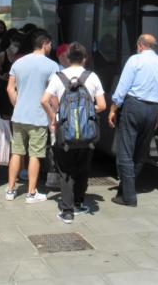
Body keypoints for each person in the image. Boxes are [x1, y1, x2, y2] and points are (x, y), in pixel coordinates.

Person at [40, 42, 106, 224]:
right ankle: (78, 203)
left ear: (68, 59)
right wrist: (87, 113)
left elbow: (44, 100)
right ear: (85, 59)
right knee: (83, 168)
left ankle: (67, 211)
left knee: (65, 170)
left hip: (65, 131)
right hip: (87, 133)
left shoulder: (59, 77)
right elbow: (102, 105)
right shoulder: (92, 77)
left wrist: (54, 117)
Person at [107, 34, 158, 207]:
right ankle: (125, 189)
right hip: (153, 109)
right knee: (141, 152)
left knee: (125, 152)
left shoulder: (135, 60)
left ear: (140, 45)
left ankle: (129, 196)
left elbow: (122, 87)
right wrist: (157, 116)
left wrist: (113, 108)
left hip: (134, 106)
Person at [5, 29, 59, 203]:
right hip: (38, 117)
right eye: (50, 44)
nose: (51, 47)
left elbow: (9, 88)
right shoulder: (52, 65)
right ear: (44, 44)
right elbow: (53, 94)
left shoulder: (18, 62)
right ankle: (31, 193)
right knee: (35, 154)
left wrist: (17, 104)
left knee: (16, 152)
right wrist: (55, 113)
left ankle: (10, 189)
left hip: (19, 116)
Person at [0, 28, 21, 118]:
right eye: (15, 45)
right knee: (5, 115)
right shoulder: (2, 55)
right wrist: (2, 77)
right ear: (11, 41)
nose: (16, 48)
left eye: (18, 45)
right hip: (4, 89)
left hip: (18, 88)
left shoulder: (19, 56)